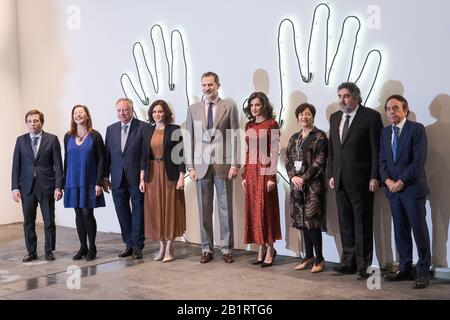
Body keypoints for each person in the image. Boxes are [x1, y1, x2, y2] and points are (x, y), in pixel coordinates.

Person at [327, 82, 383, 279]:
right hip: (340, 179)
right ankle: (347, 262)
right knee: (346, 223)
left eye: (347, 96)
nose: (343, 100)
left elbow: (377, 150)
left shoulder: (371, 116)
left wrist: (375, 176)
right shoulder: (335, 118)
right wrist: (331, 174)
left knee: (362, 223)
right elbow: (333, 150)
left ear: (357, 97)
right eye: (340, 96)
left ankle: (364, 266)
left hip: (362, 180)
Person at [185, 71, 239, 264]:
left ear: (218, 85)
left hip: (223, 165)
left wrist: (235, 163)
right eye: (204, 85)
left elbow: (234, 137)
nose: (207, 88)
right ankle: (206, 249)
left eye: (211, 84)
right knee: (204, 209)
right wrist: (190, 166)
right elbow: (189, 138)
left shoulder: (229, 107)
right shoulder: (193, 109)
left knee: (225, 210)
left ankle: (227, 249)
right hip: (200, 166)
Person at [379, 95, 431, 289]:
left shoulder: (416, 129)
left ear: (405, 110)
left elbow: (418, 161)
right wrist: (388, 181)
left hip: (411, 189)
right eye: (388, 109)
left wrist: (401, 181)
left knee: (419, 231)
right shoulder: (385, 132)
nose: (391, 111)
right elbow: (382, 161)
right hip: (393, 191)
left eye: (395, 108)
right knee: (400, 231)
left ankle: (423, 272)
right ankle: (405, 268)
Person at [11, 109, 63, 262]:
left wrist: (58, 187)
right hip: (27, 187)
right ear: (26, 123)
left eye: (36, 121)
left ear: (41, 122)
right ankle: (31, 252)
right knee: (28, 222)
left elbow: (58, 166)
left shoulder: (52, 139)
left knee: (49, 221)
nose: (33, 124)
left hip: (47, 186)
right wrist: (15, 187)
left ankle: (49, 251)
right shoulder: (20, 140)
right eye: (30, 121)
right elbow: (16, 166)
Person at [139, 100, 186, 262]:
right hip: (152, 175)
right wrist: (142, 179)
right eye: (154, 112)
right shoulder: (147, 131)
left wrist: (181, 177)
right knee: (155, 210)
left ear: (165, 112)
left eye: (160, 111)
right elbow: (143, 157)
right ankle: (161, 246)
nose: (157, 115)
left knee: (169, 209)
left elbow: (180, 155)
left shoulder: (175, 129)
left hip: (169, 174)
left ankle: (170, 246)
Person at [285, 103, 328, 273]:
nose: (304, 117)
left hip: (313, 186)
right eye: (301, 114)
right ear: (297, 118)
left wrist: (304, 178)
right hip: (296, 186)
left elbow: (320, 160)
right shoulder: (294, 137)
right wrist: (293, 177)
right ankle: (308, 256)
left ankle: (320, 258)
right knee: (302, 222)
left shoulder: (320, 136)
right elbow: (287, 159)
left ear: (313, 116)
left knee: (312, 222)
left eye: (308, 114)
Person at [103, 98, 147, 260]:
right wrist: (104, 177)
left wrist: (144, 176)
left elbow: (145, 155)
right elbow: (107, 155)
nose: (122, 113)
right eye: (119, 110)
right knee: (122, 212)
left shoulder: (143, 127)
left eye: (125, 110)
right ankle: (128, 244)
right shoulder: (111, 129)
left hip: (136, 177)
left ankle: (137, 246)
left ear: (132, 110)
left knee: (138, 212)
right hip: (117, 178)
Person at [242, 92, 281, 268]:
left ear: (264, 105)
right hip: (251, 171)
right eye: (251, 105)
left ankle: (271, 248)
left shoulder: (272, 123)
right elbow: (249, 151)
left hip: (265, 171)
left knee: (266, 210)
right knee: (254, 211)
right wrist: (244, 175)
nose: (254, 108)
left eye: (257, 105)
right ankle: (261, 248)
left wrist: (272, 176)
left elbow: (274, 152)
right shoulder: (249, 124)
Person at [64, 105, 106, 261]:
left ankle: (92, 247)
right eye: (75, 113)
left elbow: (102, 160)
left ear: (87, 116)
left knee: (88, 213)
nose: (78, 115)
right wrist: (63, 182)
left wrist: (99, 182)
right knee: (78, 213)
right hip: (72, 180)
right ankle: (83, 246)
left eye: (81, 112)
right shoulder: (68, 136)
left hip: (89, 181)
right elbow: (66, 160)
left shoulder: (95, 136)